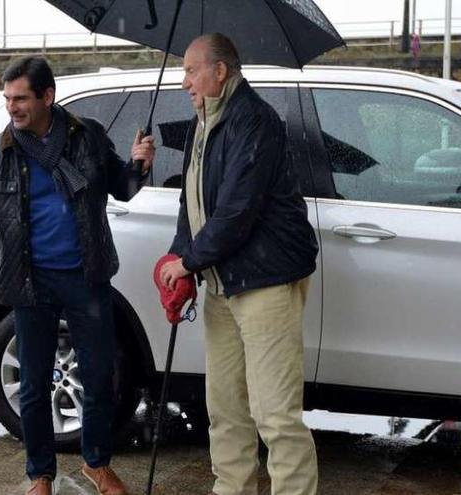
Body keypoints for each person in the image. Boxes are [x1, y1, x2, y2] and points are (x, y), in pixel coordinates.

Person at [0, 56, 155, 495]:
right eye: (7, 99)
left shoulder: (88, 140)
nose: (12, 107)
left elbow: (123, 188)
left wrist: (139, 165)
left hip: (87, 274)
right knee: (34, 382)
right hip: (28, 280)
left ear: (48, 96)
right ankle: (39, 474)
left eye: (21, 98)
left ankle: (97, 464)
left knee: (101, 376)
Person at [159, 34, 320, 495]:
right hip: (222, 283)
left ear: (221, 72)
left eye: (192, 70)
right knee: (226, 409)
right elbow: (191, 205)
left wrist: (188, 262)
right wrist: (178, 254)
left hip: (265, 282)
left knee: (274, 414)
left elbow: (236, 210)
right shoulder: (202, 122)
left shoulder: (255, 120)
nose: (184, 81)